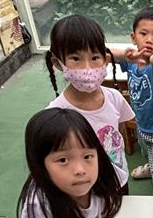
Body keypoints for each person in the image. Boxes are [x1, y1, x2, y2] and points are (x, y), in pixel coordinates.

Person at [44, 14, 135, 186]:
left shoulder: (114, 98)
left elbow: (119, 130)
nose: (87, 68)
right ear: (57, 63)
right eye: (75, 59)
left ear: (105, 59)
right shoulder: (55, 114)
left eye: (94, 58)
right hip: (84, 187)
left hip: (118, 180)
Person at [112, 7, 153, 192]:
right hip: (142, 125)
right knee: (147, 150)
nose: (149, 39)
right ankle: (151, 165)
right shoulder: (131, 62)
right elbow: (103, 53)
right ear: (133, 37)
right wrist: (124, 54)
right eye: (143, 33)